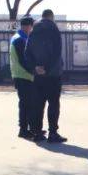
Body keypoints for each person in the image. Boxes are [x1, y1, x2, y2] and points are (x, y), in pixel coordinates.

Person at [23, 9, 67, 143]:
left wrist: (35, 68)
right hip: (53, 74)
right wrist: (47, 68)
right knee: (53, 104)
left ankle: (37, 133)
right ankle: (53, 133)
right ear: (52, 17)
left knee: (38, 104)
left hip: (38, 75)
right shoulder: (54, 29)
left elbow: (27, 52)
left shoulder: (33, 30)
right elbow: (56, 53)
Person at [9, 16, 36, 138]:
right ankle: (23, 129)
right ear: (28, 26)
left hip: (20, 75)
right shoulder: (20, 40)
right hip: (23, 75)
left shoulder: (17, 37)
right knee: (25, 103)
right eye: (32, 27)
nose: (32, 29)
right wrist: (34, 71)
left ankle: (29, 128)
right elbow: (23, 61)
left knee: (27, 103)